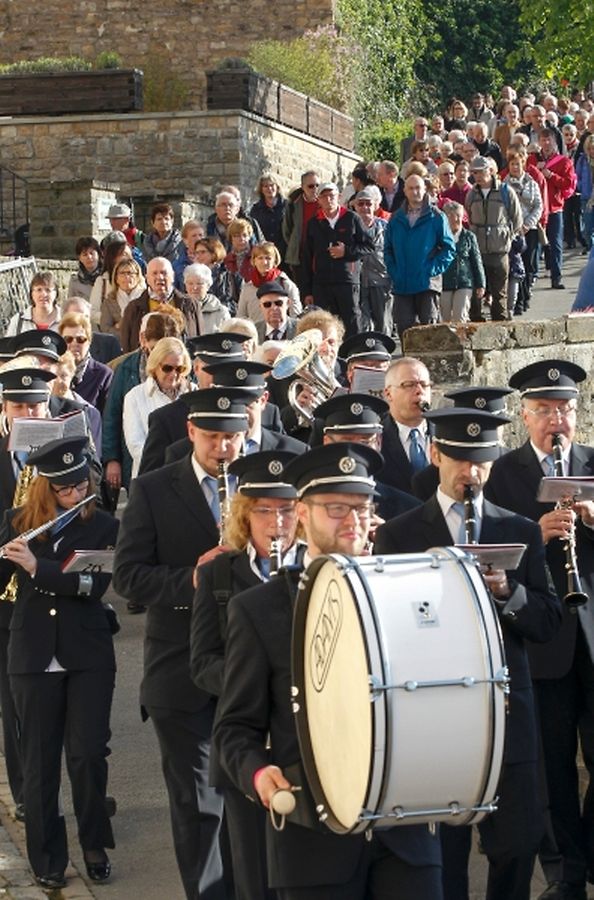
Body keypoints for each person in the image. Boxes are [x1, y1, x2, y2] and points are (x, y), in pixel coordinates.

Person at [213, 442, 444, 899]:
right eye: (336, 507)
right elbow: (234, 729)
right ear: (302, 512)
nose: (352, 519)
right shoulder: (259, 609)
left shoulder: (409, 595)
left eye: (361, 506)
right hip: (312, 843)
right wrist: (259, 775)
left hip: (406, 834)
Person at [376, 408, 561, 900]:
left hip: (507, 713)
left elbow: (547, 621)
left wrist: (508, 594)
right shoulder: (399, 534)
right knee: (443, 857)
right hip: (435, 712)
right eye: (458, 459)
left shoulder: (519, 528)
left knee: (518, 845)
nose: (469, 472)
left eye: (480, 461)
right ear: (436, 454)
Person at [112, 389, 251, 900]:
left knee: (249, 801)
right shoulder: (152, 490)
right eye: (211, 437)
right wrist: (192, 580)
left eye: (231, 437)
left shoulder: (261, 490)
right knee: (200, 806)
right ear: (191, 432)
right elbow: (128, 577)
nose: (222, 448)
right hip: (180, 670)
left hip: (250, 669)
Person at [484, 360, 594, 900]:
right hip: (544, 636)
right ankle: (565, 872)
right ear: (525, 417)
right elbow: (494, 550)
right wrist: (537, 531)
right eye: (546, 410)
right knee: (553, 765)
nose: (557, 419)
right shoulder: (504, 473)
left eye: (565, 409)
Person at [0, 436, 119, 890]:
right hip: (31, 653)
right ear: (44, 489)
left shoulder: (103, 525)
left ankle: (94, 844)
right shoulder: (16, 522)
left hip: (87, 653)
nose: (74, 494)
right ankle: (47, 857)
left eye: (79, 485)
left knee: (88, 755)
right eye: (64, 489)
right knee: (39, 761)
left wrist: (36, 567)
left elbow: (92, 586)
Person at [190, 450, 300, 900]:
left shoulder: (322, 572)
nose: (278, 523)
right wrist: (253, 686)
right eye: (265, 512)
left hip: (302, 745)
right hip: (246, 747)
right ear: (245, 515)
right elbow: (201, 661)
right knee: (253, 873)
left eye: (288, 511)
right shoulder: (219, 573)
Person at [0, 366, 56, 826]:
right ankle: (24, 792)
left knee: (57, 701)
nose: (28, 413)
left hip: (53, 596)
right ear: (5, 410)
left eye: (35, 405)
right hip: (4, 600)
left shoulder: (69, 456)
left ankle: (59, 786)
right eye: (19, 406)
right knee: (13, 702)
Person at [384, 173, 456, 343]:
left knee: (430, 330)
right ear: (405, 191)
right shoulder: (396, 218)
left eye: (418, 188)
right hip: (402, 284)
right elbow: (388, 250)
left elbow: (449, 249)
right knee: (404, 331)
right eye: (411, 188)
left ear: (425, 190)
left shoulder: (436, 216)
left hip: (427, 284)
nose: (415, 191)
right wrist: (395, 272)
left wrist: (431, 269)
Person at [302, 182, 369, 338]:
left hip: (347, 281)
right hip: (321, 283)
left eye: (331, 195)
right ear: (318, 200)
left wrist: (346, 252)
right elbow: (306, 257)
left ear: (339, 197)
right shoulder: (313, 223)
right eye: (324, 196)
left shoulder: (352, 218)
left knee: (351, 322)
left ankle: (354, 355)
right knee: (323, 325)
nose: (328, 199)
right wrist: (307, 290)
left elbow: (368, 246)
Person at [122, 337, 191, 478]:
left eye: (179, 368)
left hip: (189, 476)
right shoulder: (135, 397)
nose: (174, 374)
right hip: (151, 476)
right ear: (155, 365)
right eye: (167, 368)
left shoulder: (194, 394)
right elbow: (136, 445)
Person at [465, 156, 523, 321]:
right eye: (474, 172)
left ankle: (500, 325)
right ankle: (476, 324)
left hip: (499, 250)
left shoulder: (505, 191)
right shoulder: (472, 194)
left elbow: (517, 219)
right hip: (477, 251)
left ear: (490, 171)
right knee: (477, 291)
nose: (476, 176)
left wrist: (507, 238)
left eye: (480, 172)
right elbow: (469, 216)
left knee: (499, 293)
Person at [528, 129, 577, 289]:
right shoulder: (532, 160)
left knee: (555, 244)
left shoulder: (564, 162)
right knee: (534, 244)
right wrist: (536, 169)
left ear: (555, 142)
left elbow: (568, 184)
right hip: (535, 209)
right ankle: (531, 276)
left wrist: (551, 175)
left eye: (549, 140)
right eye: (543, 140)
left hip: (555, 208)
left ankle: (556, 277)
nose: (546, 143)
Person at [119, 257, 200, 352]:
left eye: (164, 273)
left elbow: (200, 339)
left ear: (173, 276)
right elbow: (126, 345)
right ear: (147, 278)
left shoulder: (189, 304)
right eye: (154, 273)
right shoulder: (134, 308)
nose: (160, 277)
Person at [379, 356, 432, 493]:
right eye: (409, 385)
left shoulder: (445, 432)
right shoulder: (376, 438)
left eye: (424, 384)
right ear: (388, 394)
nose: (419, 391)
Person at [353, 186, 394, 334]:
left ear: (375, 206)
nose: (365, 207)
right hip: (357, 281)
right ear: (355, 206)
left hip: (381, 280)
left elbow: (394, 253)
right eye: (361, 204)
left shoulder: (386, 228)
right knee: (362, 325)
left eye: (368, 204)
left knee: (383, 323)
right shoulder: (349, 226)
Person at [58, 313, 113, 414]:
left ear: (89, 341)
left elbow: (108, 418)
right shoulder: (53, 373)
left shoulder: (104, 375)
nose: (74, 344)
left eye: (80, 339)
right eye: (68, 339)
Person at [440, 201, 485, 322]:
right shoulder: (439, 236)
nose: (458, 220)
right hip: (444, 282)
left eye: (460, 216)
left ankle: (461, 340)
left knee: (460, 317)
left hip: (464, 281)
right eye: (454, 216)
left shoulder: (469, 236)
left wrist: (481, 284)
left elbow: (477, 260)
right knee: (445, 319)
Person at [237, 241, 301, 323]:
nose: (264, 262)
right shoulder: (247, 288)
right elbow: (240, 317)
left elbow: (296, 317)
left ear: (274, 261)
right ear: (254, 261)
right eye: (260, 258)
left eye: (268, 258)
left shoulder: (285, 284)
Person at [281, 171, 320, 298]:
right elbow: (287, 230)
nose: (314, 189)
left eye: (317, 185)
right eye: (310, 186)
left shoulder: (324, 203)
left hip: (320, 254)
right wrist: (295, 245)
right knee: (302, 294)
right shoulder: (294, 203)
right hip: (300, 255)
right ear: (302, 187)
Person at [89, 233, 133, 329]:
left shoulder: (139, 280)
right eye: (123, 254)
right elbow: (92, 312)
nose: (127, 258)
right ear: (113, 257)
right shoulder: (102, 281)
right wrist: (111, 319)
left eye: (129, 255)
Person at [99, 257, 146, 339]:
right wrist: (120, 328)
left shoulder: (146, 298)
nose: (126, 277)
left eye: (130, 273)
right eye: (122, 273)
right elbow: (105, 330)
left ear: (138, 276)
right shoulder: (109, 301)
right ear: (116, 278)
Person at [6, 272, 61, 336]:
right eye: (39, 290)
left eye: (48, 290)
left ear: (56, 293)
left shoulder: (67, 319)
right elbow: (9, 345)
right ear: (32, 293)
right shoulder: (18, 321)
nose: (43, 294)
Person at [181, 262, 230, 333]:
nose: (194, 287)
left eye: (199, 283)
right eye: (190, 283)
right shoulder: (179, 309)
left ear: (208, 286)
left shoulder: (220, 311)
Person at [249, 173, 287, 251]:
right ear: (261, 189)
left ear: (277, 187)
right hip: (263, 253)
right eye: (265, 186)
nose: (269, 188)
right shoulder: (256, 209)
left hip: (285, 251)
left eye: (272, 185)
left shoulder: (288, 206)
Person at [172, 220, 205, 290]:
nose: (198, 238)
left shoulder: (211, 260)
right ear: (185, 240)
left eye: (200, 235)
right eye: (194, 236)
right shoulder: (177, 265)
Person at [67, 237, 102, 302]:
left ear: (98, 254)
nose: (89, 257)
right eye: (85, 254)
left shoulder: (107, 277)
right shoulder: (75, 281)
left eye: (92, 253)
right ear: (79, 258)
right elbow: (71, 304)